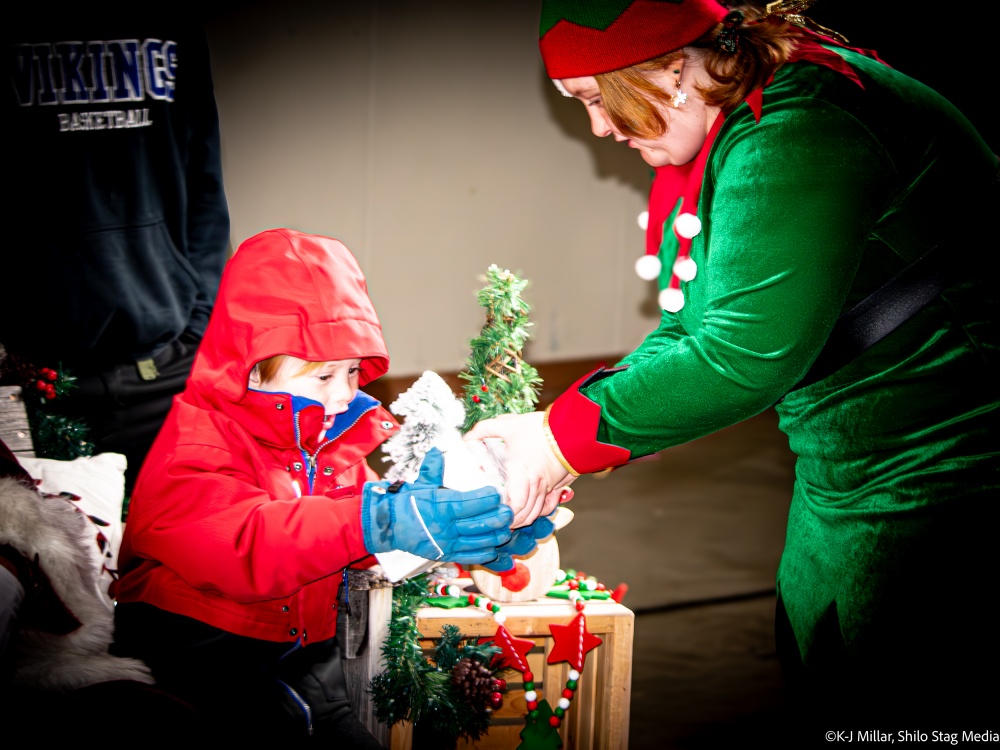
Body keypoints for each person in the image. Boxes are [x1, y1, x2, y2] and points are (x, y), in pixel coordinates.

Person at [466, 0, 998, 730]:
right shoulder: (734, 127)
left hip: (951, 475)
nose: (598, 128)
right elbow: (690, 329)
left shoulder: (799, 125)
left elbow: (742, 356)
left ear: (668, 67)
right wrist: (561, 436)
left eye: (598, 99)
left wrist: (559, 440)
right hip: (853, 470)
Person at [109, 229, 523, 745]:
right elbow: (249, 542)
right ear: (253, 370)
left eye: (351, 371)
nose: (343, 394)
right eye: (322, 377)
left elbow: (357, 530)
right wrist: (375, 520)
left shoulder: (331, 435)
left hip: (298, 651)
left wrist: (448, 528)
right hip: (197, 658)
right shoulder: (198, 439)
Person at [2, 9, 231, 492]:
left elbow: (204, 182)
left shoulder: (176, 23)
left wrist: (199, 327)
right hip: (29, 375)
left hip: (166, 367)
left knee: (172, 555)